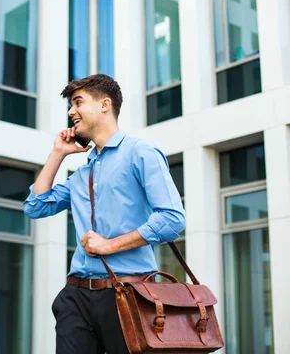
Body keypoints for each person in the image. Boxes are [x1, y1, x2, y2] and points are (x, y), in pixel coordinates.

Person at [23, 74, 186, 354]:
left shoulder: (140, 152)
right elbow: (35, 206)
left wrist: (109, 245)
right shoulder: (82, 173)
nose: (71, 111)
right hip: (75, 296)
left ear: (104, 105)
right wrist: (58, 154)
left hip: (127, 293)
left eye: (78, 102)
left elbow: (172, 219)